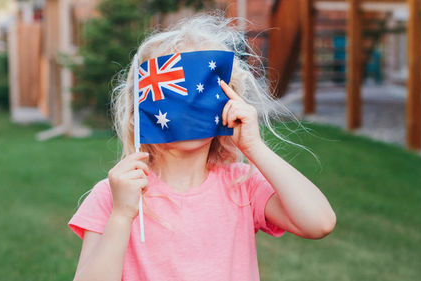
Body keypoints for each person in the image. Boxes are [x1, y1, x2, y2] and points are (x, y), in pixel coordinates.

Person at [69, 14, 336, 281]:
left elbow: (319, 223)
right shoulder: (114, 195)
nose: (189, 106)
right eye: (172, 93)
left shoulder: (242, 185)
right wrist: (120, 216)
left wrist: (255, 147)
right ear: (139, 106)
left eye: (203, 93)